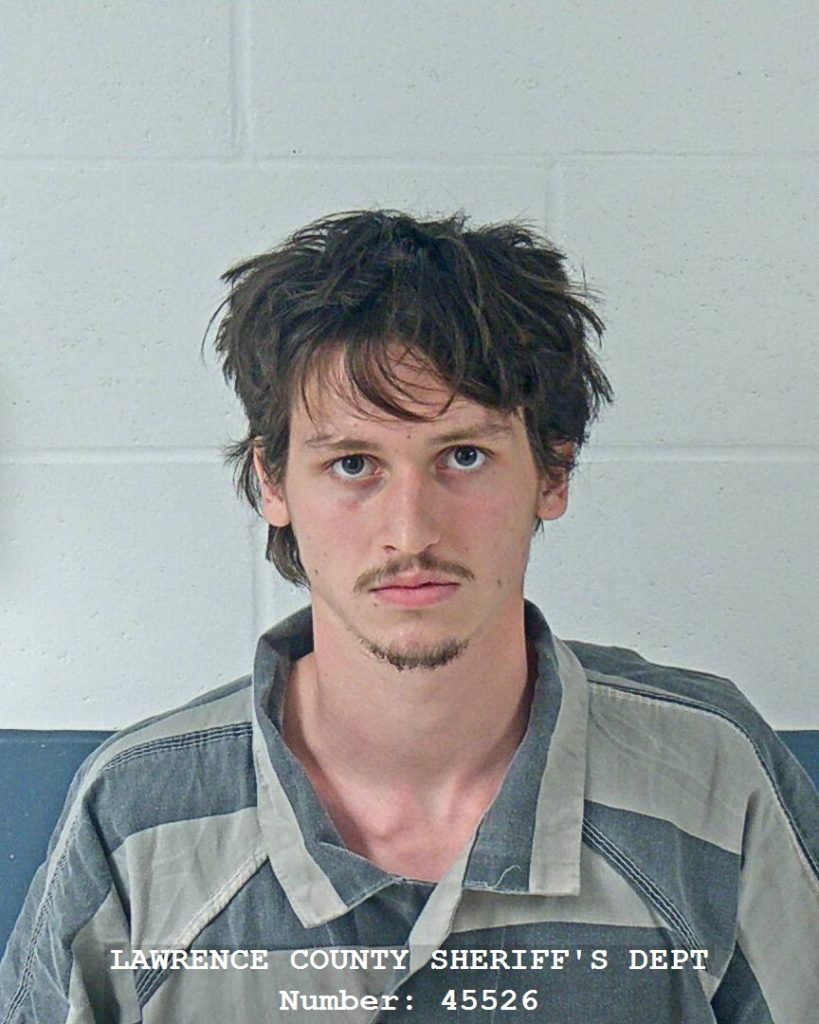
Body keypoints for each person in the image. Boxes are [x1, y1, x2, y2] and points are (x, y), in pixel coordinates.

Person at [1, 210, 817, 1023]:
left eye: (463, 456)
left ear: (552, 472)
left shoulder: (710, 778)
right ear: (273, 483)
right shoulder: (136, 813)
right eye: (353, 463)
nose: (410, 531)